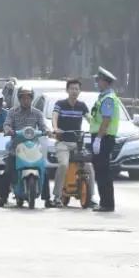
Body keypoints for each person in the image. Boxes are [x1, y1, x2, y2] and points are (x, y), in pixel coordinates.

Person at [1, 85, 52, 207]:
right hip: (16, 147)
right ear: (19, 99)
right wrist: (8, 130)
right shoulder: (12, 112)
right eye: (23, 98)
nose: (25, 100)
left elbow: (43, 126)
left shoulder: (37, 113)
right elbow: (7, 124)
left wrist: (47, 131)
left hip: (32, 147)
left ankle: (47, 199)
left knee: (44, 170)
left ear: (31, 98)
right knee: (8, 171)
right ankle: (3, 197)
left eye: (28, 98)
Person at [51, 78, 95, 209]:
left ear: (80, 91)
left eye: (77, 89)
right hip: (62, 142)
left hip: (77, 143)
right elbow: (55, 116)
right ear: (67, 90)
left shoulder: (82, 106)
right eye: (72, 89)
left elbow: (90, 119)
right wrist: (55, 128)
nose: (74, 91)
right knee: (63, 165)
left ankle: (90, 197)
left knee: (89, 167)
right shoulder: (60, 104)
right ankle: (57, 197)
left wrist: (96, 127)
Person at [90, 67, 124, 213]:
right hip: (103, 137)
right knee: (101, 171)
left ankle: (107, 203)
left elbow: (106, 120)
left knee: (103, 172)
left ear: (105, 82)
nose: (97, 83)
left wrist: (98, 139)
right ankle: (105, 202)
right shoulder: (104, 97)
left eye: (98, 80)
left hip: (104, 138)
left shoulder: (108, 99)